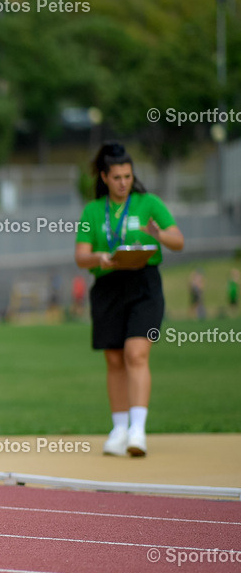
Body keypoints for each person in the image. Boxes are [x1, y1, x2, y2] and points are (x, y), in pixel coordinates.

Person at [75, 142, 184, 457]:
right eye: (117, 177)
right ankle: (119, 428)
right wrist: (100, 257)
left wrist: (158, 234)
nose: (124, 182)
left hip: (144, 285)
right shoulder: (92, 211)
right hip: (108, 285)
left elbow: (178, 240)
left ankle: (138, 430)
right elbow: (80, 257)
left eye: (128, 176)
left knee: (136, 353)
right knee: (113, 358)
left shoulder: (149, 203)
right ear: (105, 177)